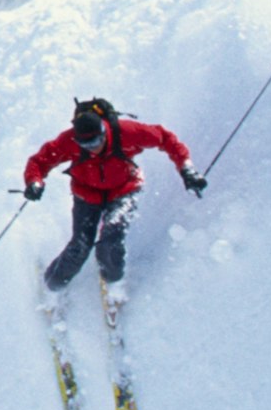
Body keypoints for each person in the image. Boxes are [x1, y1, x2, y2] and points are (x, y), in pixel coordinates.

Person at [22, 95, 202, 294]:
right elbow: (39, 162)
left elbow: (165, 138)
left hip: (124, 190)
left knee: (111, 239)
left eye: (97, 141)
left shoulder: (126, 132)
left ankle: (113, 283)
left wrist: (186, 169)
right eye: (86, 145)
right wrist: (34, 182)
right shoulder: (68, 141)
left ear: (103, 130)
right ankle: (51, 287)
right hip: (87, 194)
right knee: (80, 247)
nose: (94, 148)